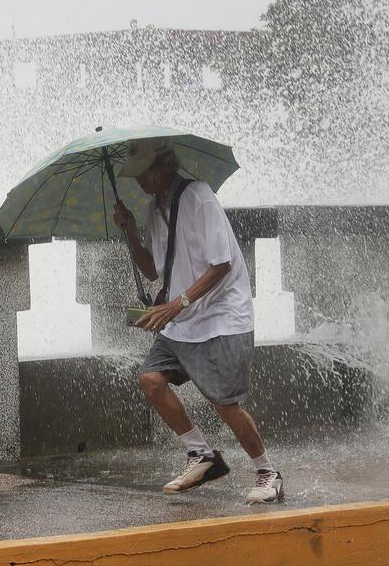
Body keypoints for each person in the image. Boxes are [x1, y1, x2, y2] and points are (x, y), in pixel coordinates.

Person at [112, 138, 284, 504]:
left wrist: (179, 303)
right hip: (184, 319)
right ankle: (202, 454)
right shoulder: (152, 209)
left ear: (162, 167)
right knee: (151, 380)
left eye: (143, 174)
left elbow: (221, 264)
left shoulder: (199, 196)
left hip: (222, 316)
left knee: (225, 403)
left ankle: (268, 472)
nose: (139, 181)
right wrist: (128, 228)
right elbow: (153, 270)